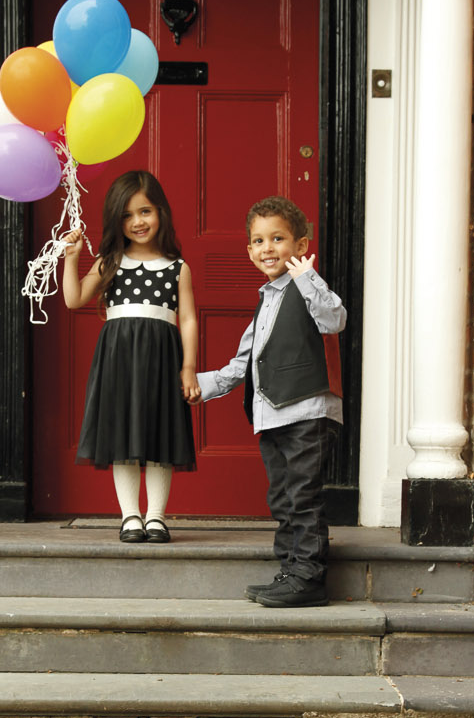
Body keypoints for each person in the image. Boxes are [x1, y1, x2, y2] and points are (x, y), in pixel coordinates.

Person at [191, 195, 345, 606]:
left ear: (300, 244)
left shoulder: (308, 285)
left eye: (278, 238)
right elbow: (242, 363)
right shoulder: (266, 300)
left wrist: (306, 277)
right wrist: (196, 386)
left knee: (303, 496)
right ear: (249, 250)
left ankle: (309, 579)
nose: (268, 248)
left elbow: (334, 319)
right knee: (282, 497)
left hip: (307, 412)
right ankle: (290, 571)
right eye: (259, 241)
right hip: (273, 417)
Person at [62, 170, 199, 543]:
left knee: (160, 436)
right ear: (115, 220)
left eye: (145, 211)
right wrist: (71, 259)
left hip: (162, 361)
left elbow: (188, 319)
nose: (137, 221)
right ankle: (130, 517)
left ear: (161, 212)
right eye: (127, 215)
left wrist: (188, 367)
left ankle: (156, 517)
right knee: (122, 437)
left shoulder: (177, 268)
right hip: (118, 361)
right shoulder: (110, 262)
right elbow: (74, 299)